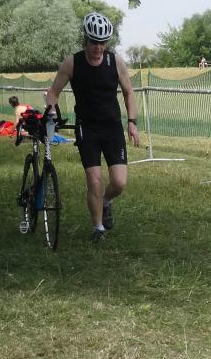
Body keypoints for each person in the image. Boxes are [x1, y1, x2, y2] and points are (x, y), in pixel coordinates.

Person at [45, 12, 140, 243]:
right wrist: (52, 110)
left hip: (112, 128)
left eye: (102, 42)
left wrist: (132, 122)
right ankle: (98, 228)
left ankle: (106, 201)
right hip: (87, 129)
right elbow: (53, 93)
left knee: (119, 183)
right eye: (94, 42)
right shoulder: (72, 63)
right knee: (94, 179)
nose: (98, 47)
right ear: (85, 40)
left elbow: (129, 92)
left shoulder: (115, 62)